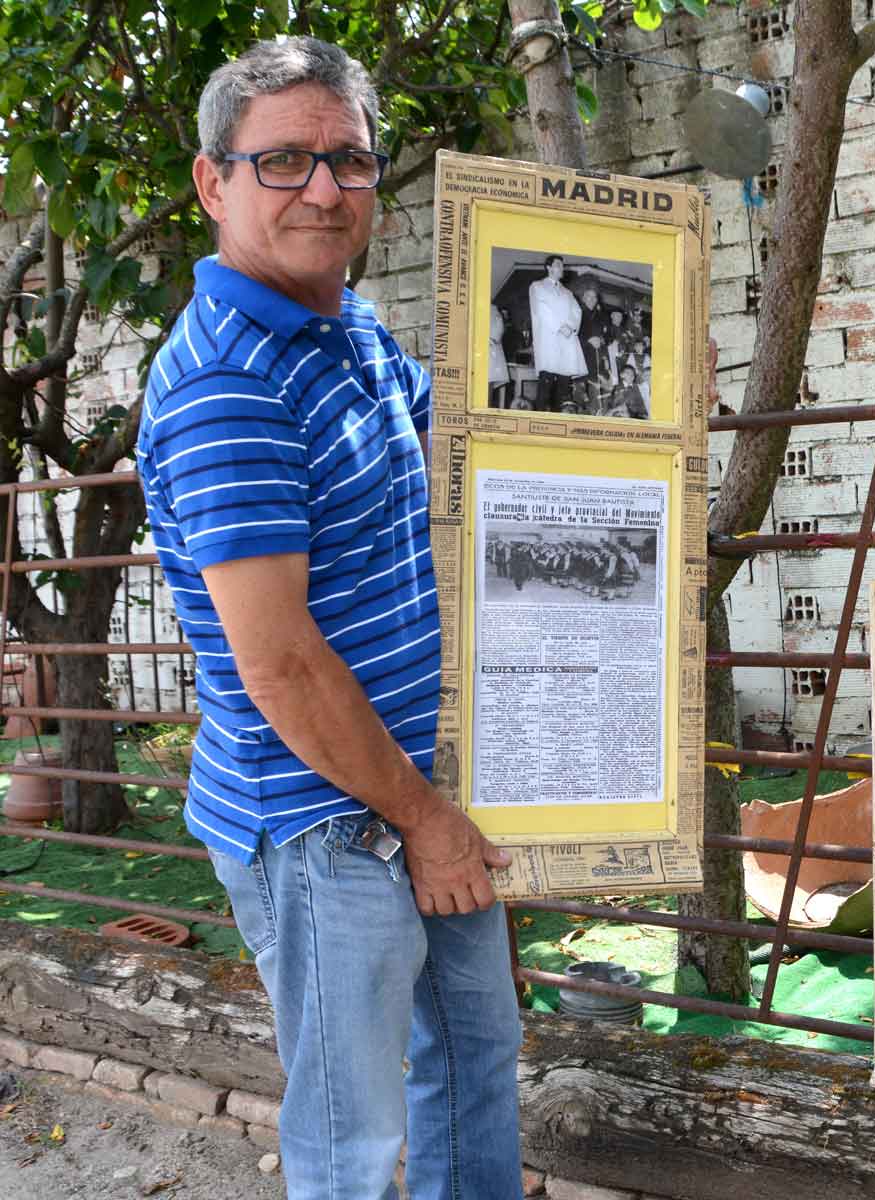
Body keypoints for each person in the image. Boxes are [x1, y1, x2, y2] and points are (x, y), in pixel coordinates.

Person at [136, 38, 521, 1199]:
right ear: (214, 184)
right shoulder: (228, 382)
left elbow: (467, 449)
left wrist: (639, 404)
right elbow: (283, 664)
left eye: (348, 160)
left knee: (474, 1060)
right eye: (284, 160)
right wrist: (426, 822)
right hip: (323, 824)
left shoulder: (349, 330)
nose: (322, 188)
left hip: (410, 792)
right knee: (352, 1139)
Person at [528, 254, 587, 408]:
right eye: (558, 265)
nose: (562, 268)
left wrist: (571, 326)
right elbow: (540, 309)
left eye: (562, 265)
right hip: (550, 341)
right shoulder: (537, 286)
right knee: (545, 387)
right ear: (549, 267)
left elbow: (577, 311)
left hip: (567, 342)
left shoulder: (568, 293)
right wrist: (560, 327)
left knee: (563, 389)